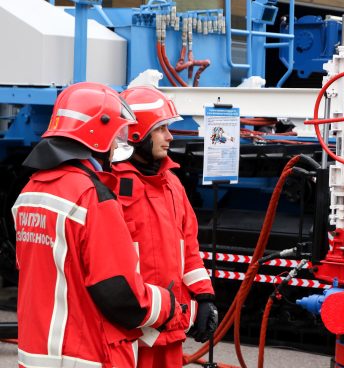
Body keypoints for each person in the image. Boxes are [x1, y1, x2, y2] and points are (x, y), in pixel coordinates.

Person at [13, 82, 184, 368]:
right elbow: (122, 294)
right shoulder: (91, 196)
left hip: (37, 354)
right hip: (86, 353)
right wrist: (168, 304)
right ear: (97, 131)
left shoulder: (30, 192)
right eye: (117, 134)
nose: (119, 143)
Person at [113, 86, 217, 368]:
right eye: (161, 129)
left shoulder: (172, 183)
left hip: (170, 332)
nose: (170, 137)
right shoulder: (109, 185)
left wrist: (204, 297)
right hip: (129, 335)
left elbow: (189, 248)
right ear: (138, 133)